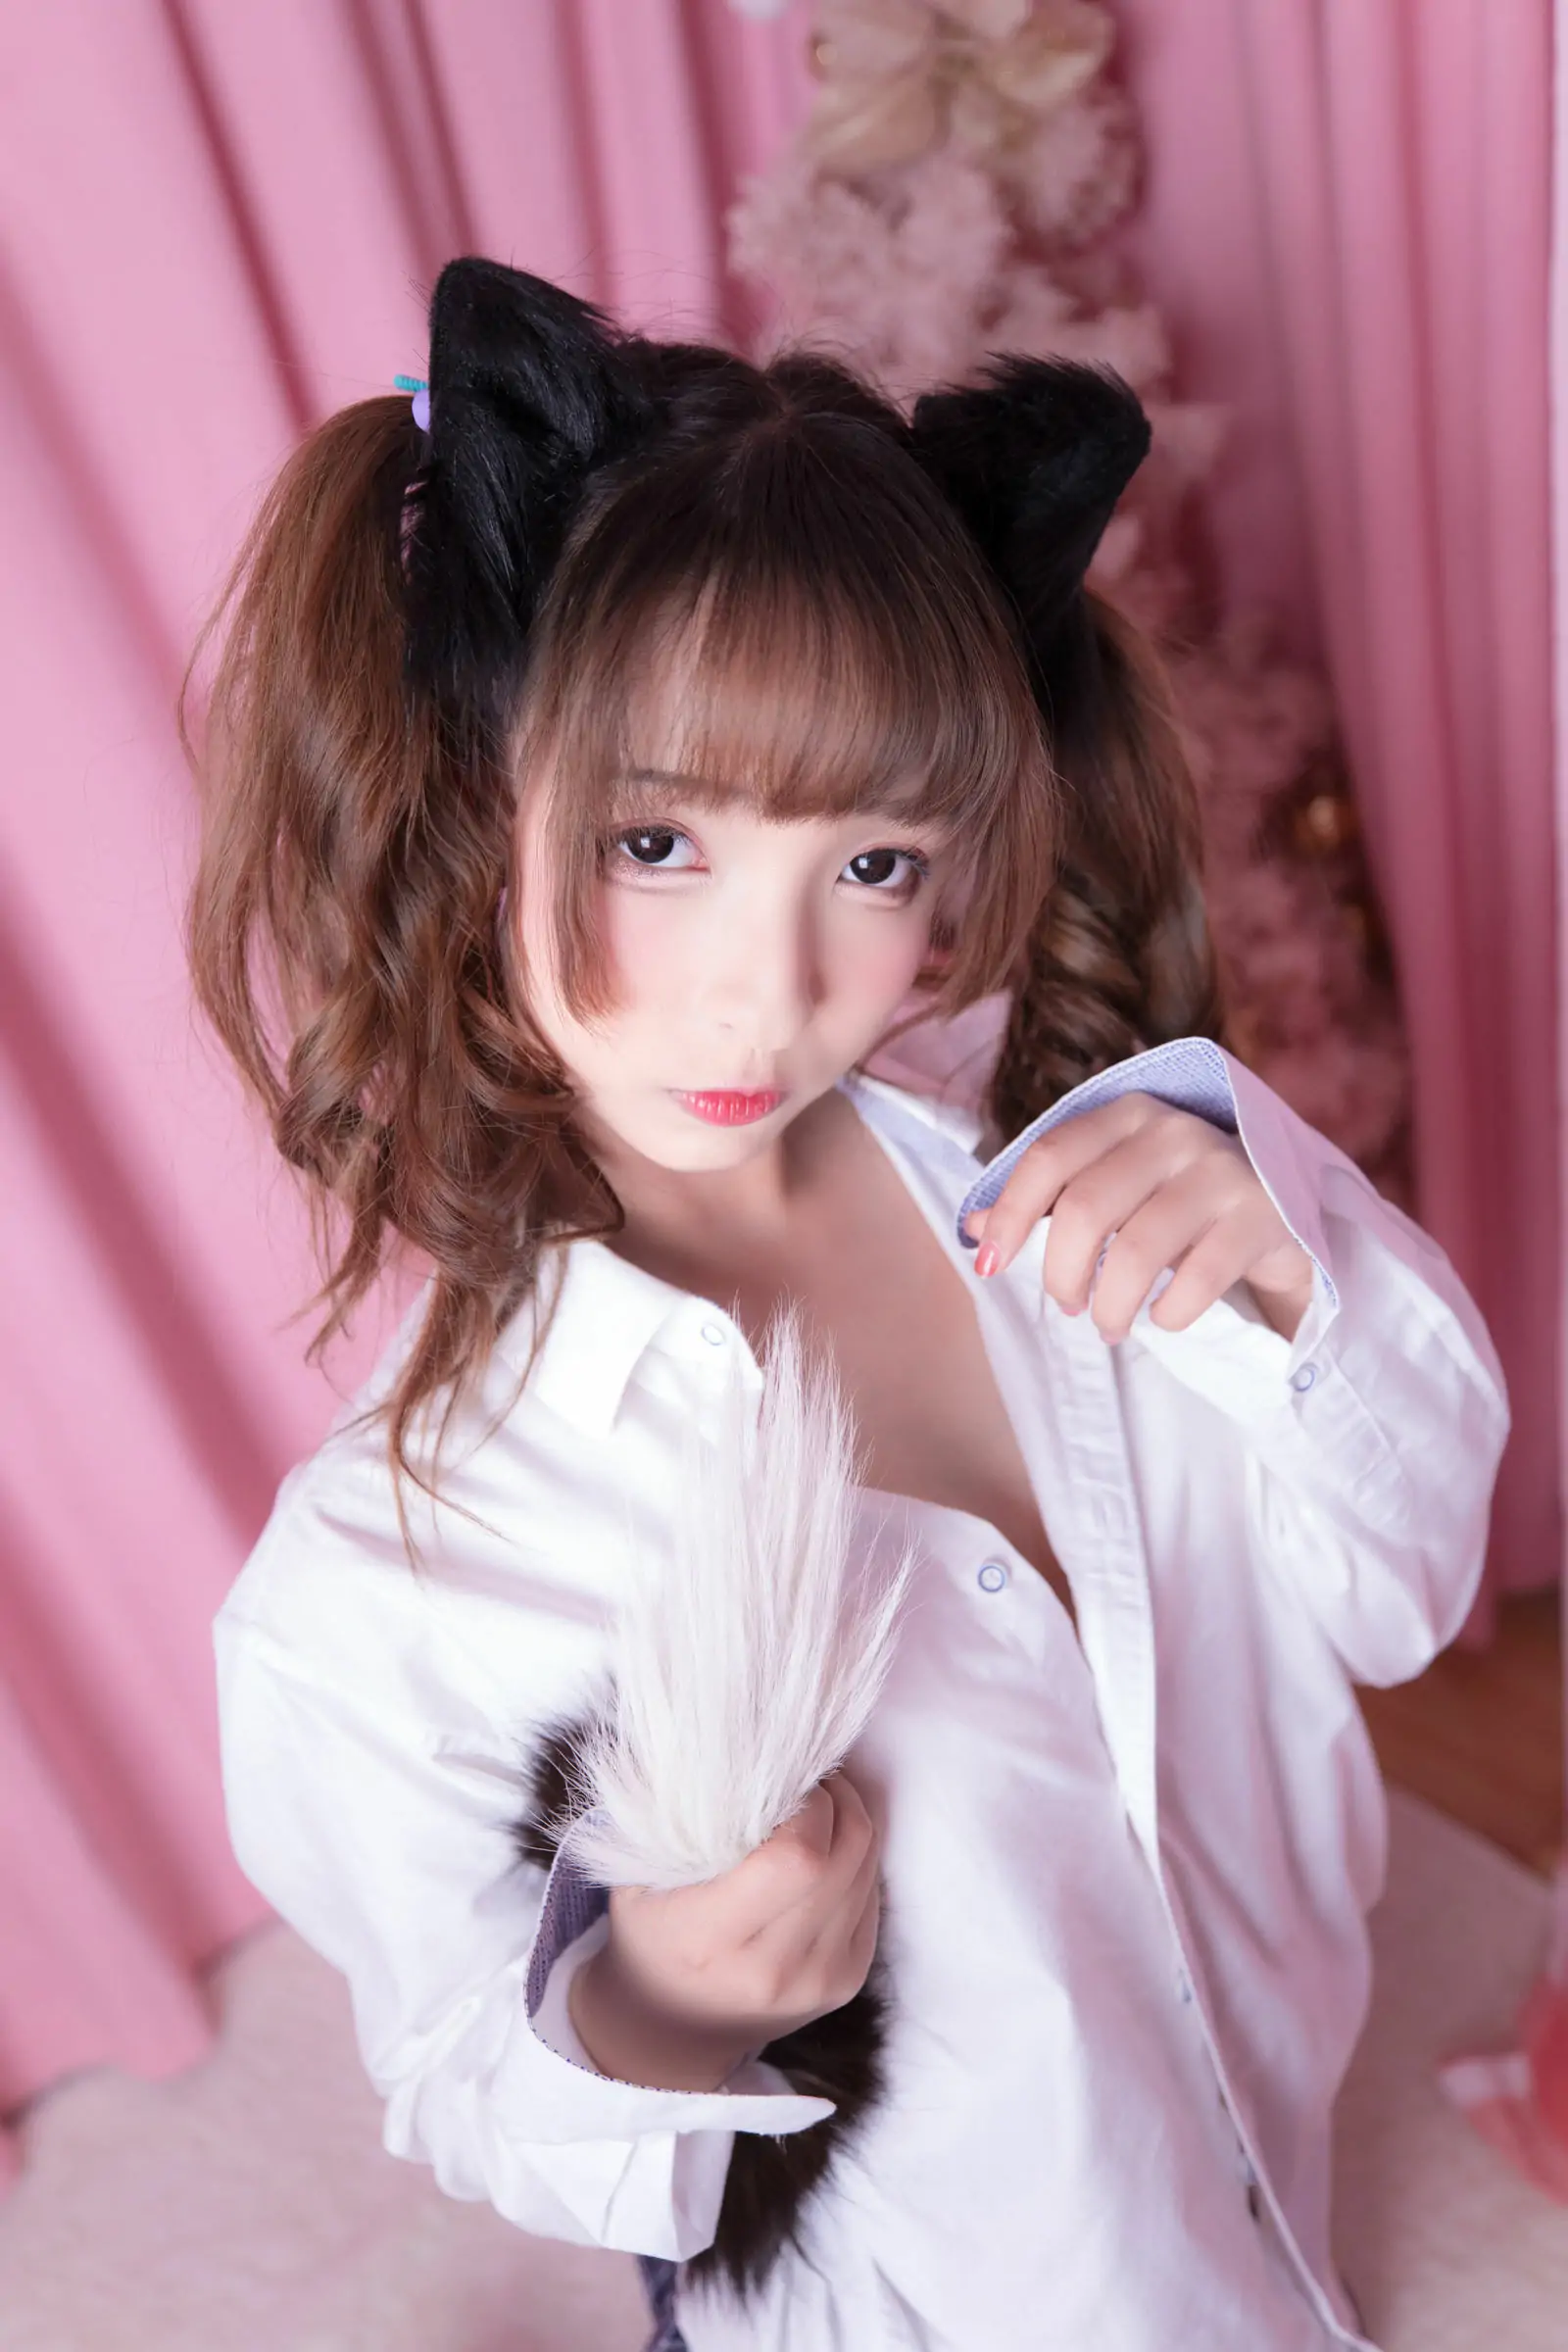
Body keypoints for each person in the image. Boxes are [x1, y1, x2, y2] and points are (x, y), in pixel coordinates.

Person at [189, 257, 1508, 2352]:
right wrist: (658, 2001)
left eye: (872, 866)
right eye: (656, 843)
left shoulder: (1099, 1196)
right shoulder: (399, 1572)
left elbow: (1398, 1600)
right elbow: (465, 2083)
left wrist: (1304, 1272)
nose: (767, 987)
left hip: (1269, 2157)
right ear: (485, 795)